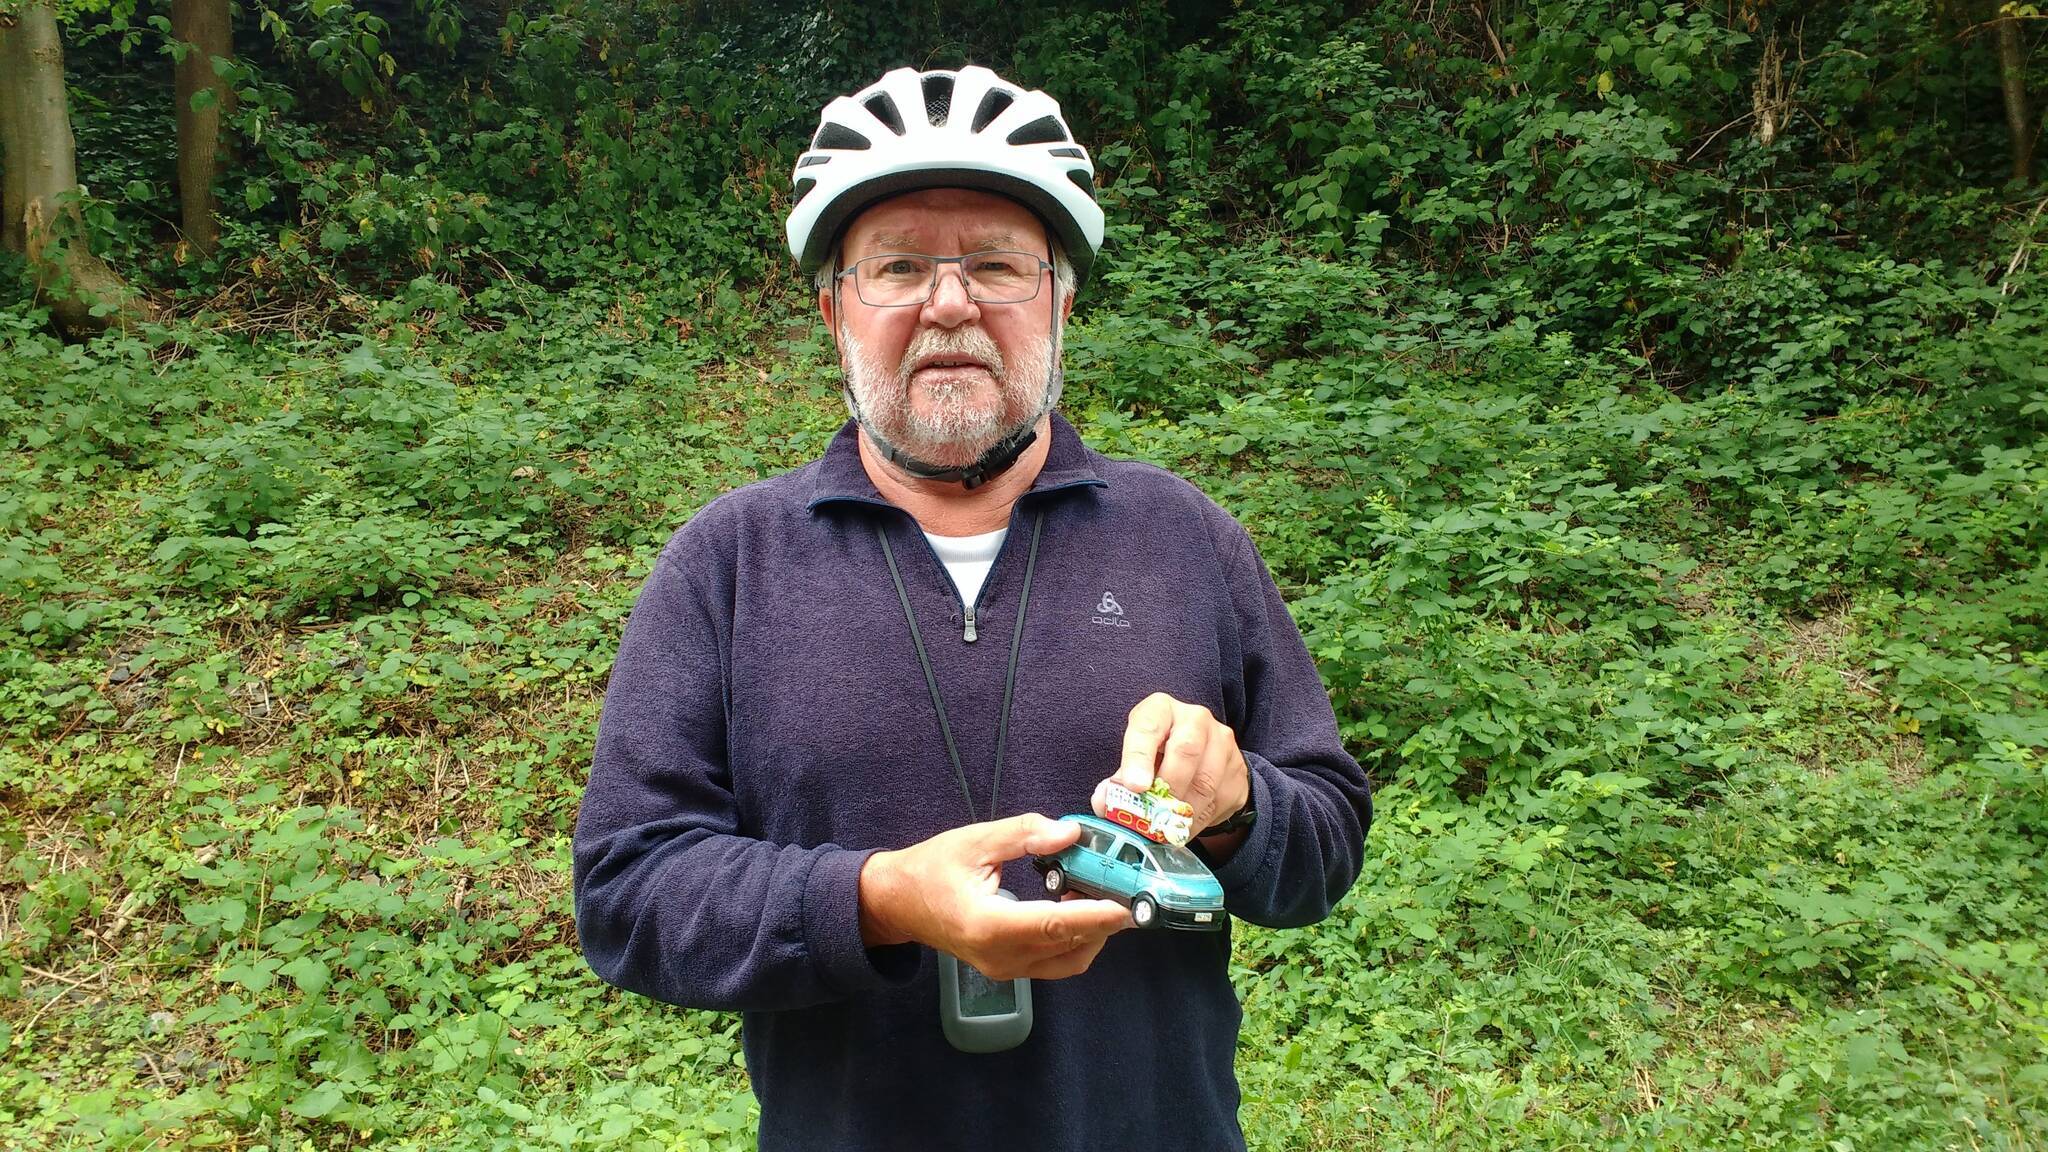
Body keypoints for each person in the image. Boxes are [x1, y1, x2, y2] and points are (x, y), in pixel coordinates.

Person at [573, 64, 1372, 1150]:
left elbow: (1327, 837)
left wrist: (1237, 808)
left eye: (995, 265)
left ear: (1060, 302)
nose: (948, 303)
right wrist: (878, 900)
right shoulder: (729, 562)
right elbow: (627, 889)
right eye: (898, 266)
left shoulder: (1183, 536)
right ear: (834, 310)